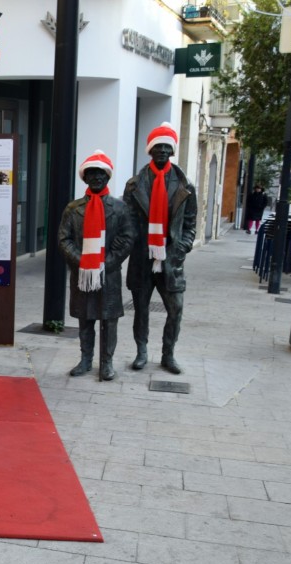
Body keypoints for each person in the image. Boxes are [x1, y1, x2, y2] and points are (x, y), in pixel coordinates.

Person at [123, 122, 197, 375]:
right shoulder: (134, 185)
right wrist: (134, 244)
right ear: (150, 150)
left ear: (173, 150)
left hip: (171, 260)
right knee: (140, 309)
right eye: (158, 146)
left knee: (175, 309)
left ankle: (168, 354)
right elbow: (128, 222)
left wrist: (182, 248)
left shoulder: (185, 185)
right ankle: (141, 352)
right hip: (143, 259)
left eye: (167, 146)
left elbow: (190, 224)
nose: (162, 150)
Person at [58, 151, 136, 381]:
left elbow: (127, 238)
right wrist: (83, 261)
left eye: (100, 173)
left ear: (107, 177)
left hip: (108, 274)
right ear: (85, 177)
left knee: (109, 320)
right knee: (86, 318)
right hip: (83, 273)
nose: (96, 177)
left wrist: (107, 262)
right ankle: (85, 359)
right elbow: (65, 239)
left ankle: (107, 362)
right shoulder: (73, 209)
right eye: (91, 173)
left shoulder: (119, 208)